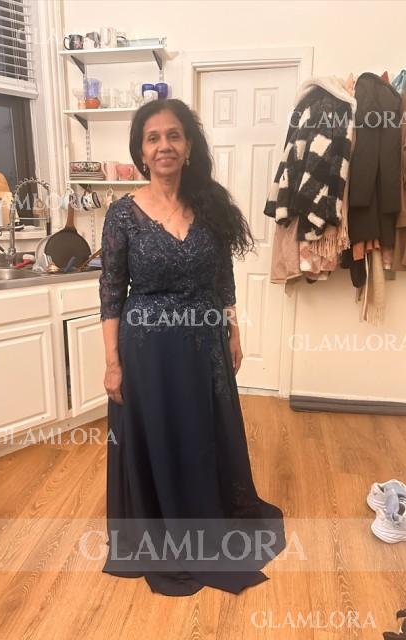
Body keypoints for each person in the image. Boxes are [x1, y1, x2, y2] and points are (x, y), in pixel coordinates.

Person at [99, 98, 286, 596]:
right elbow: (111, 293)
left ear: (188, 146)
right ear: (141, 152)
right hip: (148, 352)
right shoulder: (122, 215)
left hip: (204, 343)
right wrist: (113, 363)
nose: (164, 145)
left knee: (204, 432)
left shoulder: (209, 204)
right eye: (153, 138)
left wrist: (234, 329)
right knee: (159, 435)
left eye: (173, 135)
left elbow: (222, 278)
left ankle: (208, 520)